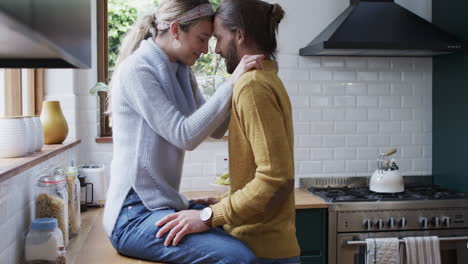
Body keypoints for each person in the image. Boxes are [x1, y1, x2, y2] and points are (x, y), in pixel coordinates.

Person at [102, 0, 264, 263]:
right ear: (176, 30)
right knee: (239, 258)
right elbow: (184, 135)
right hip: (133, 214)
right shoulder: (138, 70)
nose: (205, 50)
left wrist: (243, 85)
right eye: (202, 39)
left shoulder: (181, 70)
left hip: (161, 205)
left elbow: (215, 128)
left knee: (250, 233)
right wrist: (231, 84)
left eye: (210, 40)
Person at [156, 0, 301, 263]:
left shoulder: (252, 86)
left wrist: (209, 217)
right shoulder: (267, 78)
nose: (217, 50)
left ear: (240, 35)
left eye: (219, 38)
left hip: (261, 251)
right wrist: (222, 201)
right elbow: (268, 174)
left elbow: (275, 178)